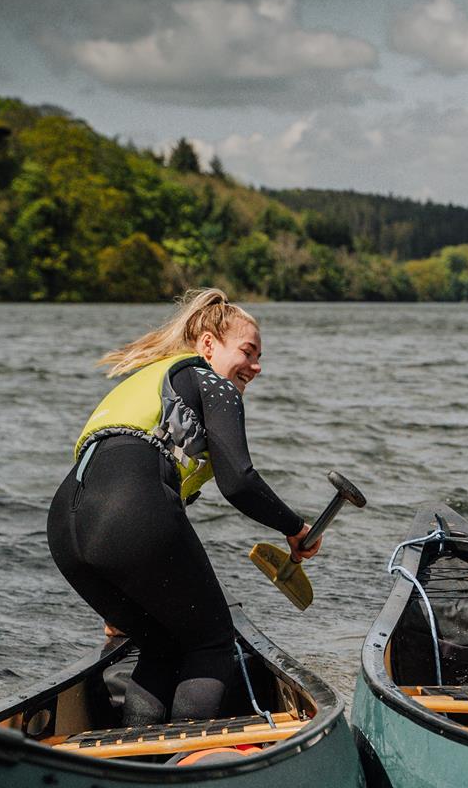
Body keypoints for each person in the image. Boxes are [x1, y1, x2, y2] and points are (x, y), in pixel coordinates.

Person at [48, 289, 314, 725]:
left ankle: (143, 759)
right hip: (129, 515)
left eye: (260, 356)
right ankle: (185, 762)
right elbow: (240, 482)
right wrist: (295, 527)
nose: (257, 366)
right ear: (208, 345)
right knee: (210, 642)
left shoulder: (152, 377)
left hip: (66, 528)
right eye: (247, 351)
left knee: (161, 643)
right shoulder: (211, 381)